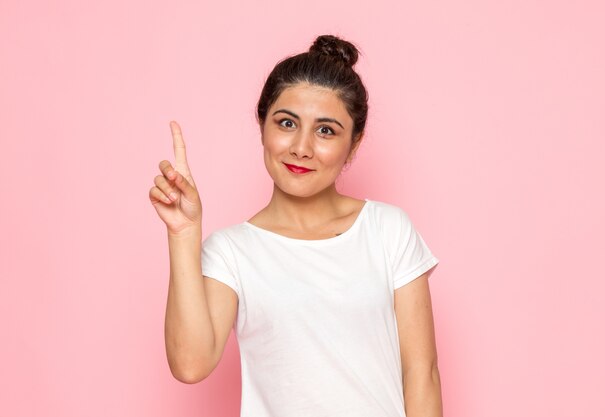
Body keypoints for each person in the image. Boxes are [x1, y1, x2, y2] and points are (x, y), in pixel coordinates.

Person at [149, 34, 443, 417]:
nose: (301, 147)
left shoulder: (388, 230)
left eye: (326, 130)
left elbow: (422, 374)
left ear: (354, 144)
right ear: (262, 126)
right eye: (287, 122)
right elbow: (190, 364)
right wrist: (184, 233)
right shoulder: (231, 252)